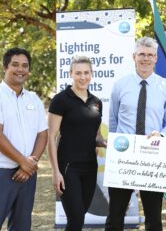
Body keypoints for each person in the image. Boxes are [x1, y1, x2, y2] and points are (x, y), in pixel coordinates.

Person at [105, 36, 166, 231]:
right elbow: (113, 120)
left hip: (152, 156)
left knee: (153, 216)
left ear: (156, 58)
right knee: (115, 214)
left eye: (150, 55)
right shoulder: (120, 85)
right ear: (134, 56)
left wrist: (162, 135)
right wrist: (115, 149)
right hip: (123, 156)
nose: (145, 58)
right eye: (142, 54)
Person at [0, 48, 48, 231]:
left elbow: (42, 134)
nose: (20, 69)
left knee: (22, 226)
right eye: (15, 65)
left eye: (25, 66)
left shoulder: (33, 99)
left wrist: (30, 162)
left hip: (27, 174)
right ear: (5, 67)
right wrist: (22, 161)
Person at [48, 56, 105, 231]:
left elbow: (95, 136)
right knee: (76, 219)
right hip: (68, 168)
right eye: (78, 73)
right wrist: (55, 172)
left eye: (86, 73)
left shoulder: (96, 102)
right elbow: (51, 137)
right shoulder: (60, 100)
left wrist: (106, 143)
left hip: (90, 167)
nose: (82, 77)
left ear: (92, 74)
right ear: (71, 74)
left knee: (80, 214)